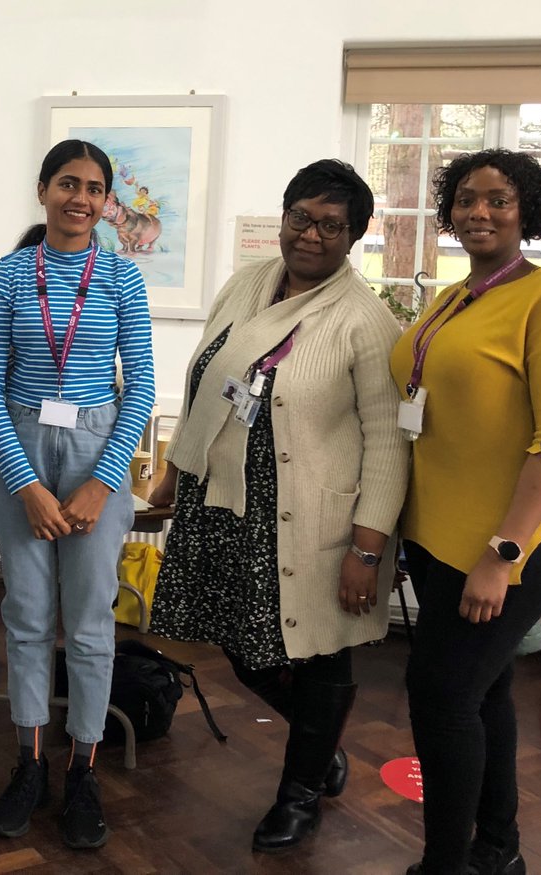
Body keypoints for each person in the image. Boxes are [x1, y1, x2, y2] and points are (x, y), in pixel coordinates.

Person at [148, 159, 409, 853]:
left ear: (354, 236)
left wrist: (366, 548)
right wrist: (173, 476)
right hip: (221, 503)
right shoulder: (247, 284)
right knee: (242, 648)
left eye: (331, 225)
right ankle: (320, 746)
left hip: (310, 520)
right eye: (301, 217)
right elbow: (207, 383)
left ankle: (299, 795)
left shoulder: (365, 320)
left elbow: (388, 445)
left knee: (318, 654)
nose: (312, 235)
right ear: (284, 215)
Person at [391, 150, 541, 875]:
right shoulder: (455, 296)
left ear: (528, 212)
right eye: (467, 199)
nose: (480, 212)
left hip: (520, 535)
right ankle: (497, 850)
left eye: (500, 200)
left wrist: (502, 553)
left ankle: (446, 864)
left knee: (441, 692)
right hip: (442, 528)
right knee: (486, 687)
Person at [0, 139, 155, 849]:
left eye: (94, 188)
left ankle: (82, 766)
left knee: (88, 621)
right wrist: (22, 482)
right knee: (23, 614)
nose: (80, 198)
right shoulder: (13, 273)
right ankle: (28, 762)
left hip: (94, 447)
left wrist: (102, 482)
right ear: (43, 189)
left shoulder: (120, 278)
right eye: (67, 183)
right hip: (22, 440)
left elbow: (139, 386)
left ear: (107, 201)